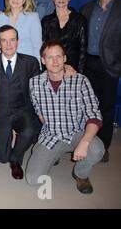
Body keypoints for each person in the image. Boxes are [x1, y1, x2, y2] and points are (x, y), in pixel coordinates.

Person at [27, 40, 104, 194]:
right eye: (50, 57)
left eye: (58, 57)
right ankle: (49, 153)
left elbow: (94, 115)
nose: (55, 61)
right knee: (33, 179)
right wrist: (48, 134)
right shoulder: (34, 83)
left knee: (96, 150)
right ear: (43, 60)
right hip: (52, 136)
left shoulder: (80, 81)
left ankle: (80, 174)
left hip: (77, 133)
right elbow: (39, 112)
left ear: (65, 59)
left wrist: (84, 141)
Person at [0, 25, 40, 179]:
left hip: (22, 110)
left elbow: (41, 86)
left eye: (12, 40)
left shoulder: (30, 62)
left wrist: (65, 70)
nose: (8, 45)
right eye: (4, 41)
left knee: (29, 131)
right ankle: (6, 151)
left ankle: (16, 159)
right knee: (1, 158)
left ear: (18, 42)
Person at [81, 0, 121, 163]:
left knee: (105, 107)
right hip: (88, 64)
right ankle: (85, 142)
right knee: (86, 105)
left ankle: (103, 146)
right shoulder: (87, 9)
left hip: (109, 66)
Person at [42, 0, 87, 73]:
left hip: (72, 69)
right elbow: (43, 47)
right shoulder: (46, 21)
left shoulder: (79, 19)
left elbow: (83, 49)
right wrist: (45, 70)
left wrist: (79, 72)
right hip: (51, 68)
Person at [0, 0, 42, 64]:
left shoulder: (32, 17)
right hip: (5, 61)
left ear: (24, 0)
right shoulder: (1, 16)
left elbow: (37, 46)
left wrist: (37, 66)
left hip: (26, 62)